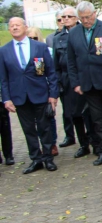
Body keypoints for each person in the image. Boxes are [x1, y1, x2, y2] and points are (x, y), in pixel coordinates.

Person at [66, 1, 102, 166]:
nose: (85, 21)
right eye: (82, 18)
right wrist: (75, 83)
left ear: (94, 14)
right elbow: (71, 61)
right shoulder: (74, 33)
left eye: (87, 17)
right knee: (97, 119)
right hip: (87, 83)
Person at [0, 17, 59, 173]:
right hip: (19, 97)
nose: (14, 28)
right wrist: (6, 99)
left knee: (44, 128)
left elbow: (50, 72)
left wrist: (53, 94)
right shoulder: (4, 51)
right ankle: (36, 159)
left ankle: (48, 158)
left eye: (17, 25)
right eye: (11, 26)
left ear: (25, 27)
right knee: (28, 130)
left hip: (40, 94)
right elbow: (3, 78)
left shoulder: (39, 47)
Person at [53, 7, 92, 158]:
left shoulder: (85, 32)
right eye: (63, 17)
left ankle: (94, 140)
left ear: (77, 18)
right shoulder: (58, 38)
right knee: (74, 114)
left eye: (69, 16)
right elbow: (56, 64)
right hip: (68, 82)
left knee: (90, 113)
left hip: (86, 78)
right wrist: (58, 83)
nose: (66, 19)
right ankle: (83, 144)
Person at [28, 26, 58, 158]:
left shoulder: (45, 50)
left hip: (44, 90)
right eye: (30, 38)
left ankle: (51, 144)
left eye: (35, 38)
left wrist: (52, 92)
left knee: (48, 118)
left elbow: (45, 72)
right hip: (28, 92)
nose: (33, 40)